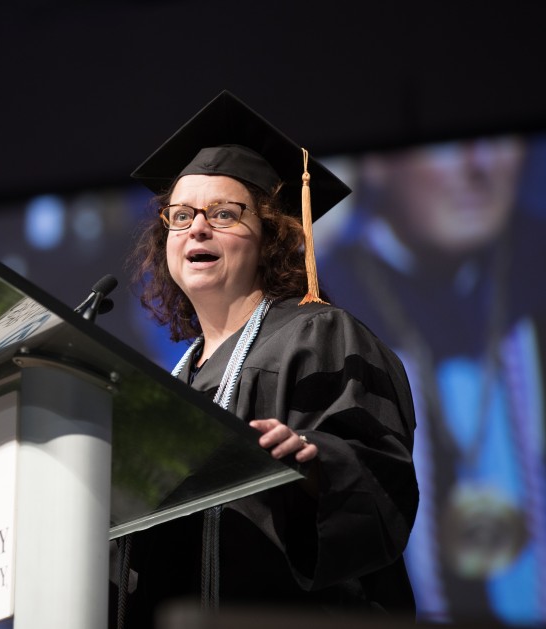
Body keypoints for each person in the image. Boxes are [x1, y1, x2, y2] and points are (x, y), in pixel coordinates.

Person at [114, 91, 419, 627]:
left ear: (273, 235)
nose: (197, 229)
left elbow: (380, 476)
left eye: (223, 214)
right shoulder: (173, 380)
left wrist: (315, 464)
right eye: (180, 216)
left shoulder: (320, 335)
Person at [318, 136, 546, 625]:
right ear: (376, 164)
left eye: (498, 139)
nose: (479, 167)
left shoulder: (535, 276)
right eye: (450, 145)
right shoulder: (326, 309)